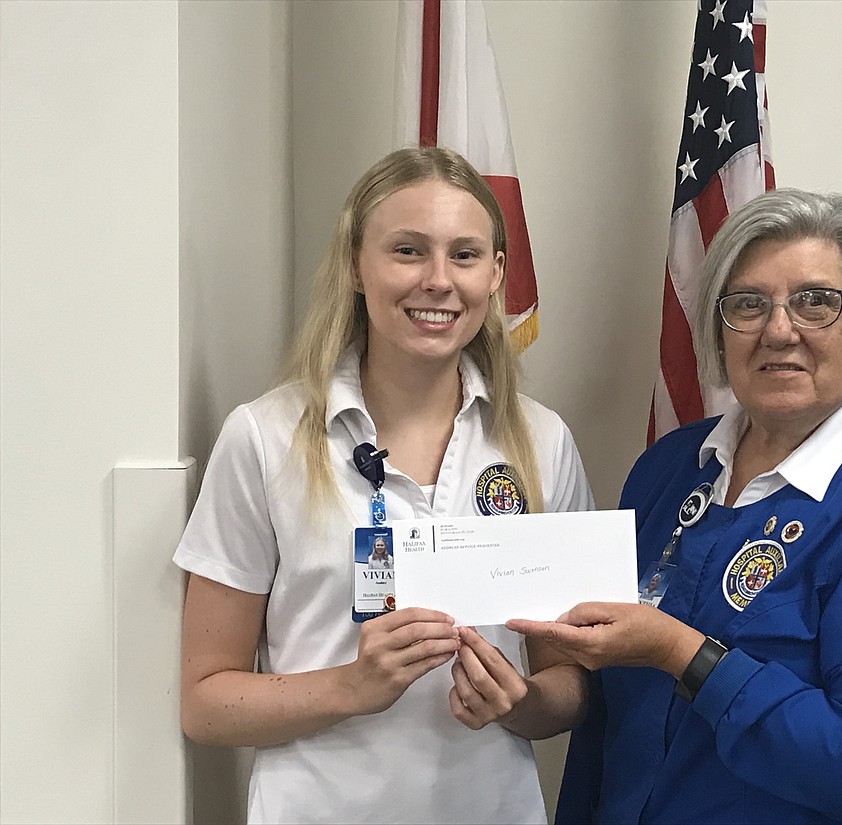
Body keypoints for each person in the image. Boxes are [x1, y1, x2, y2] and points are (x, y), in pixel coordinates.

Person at [510, 189, 842, 824]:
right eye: (748, 304)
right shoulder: (668, 471)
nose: (779, 329)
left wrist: (682, 654)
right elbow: (613, 731)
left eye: (816, 302)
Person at [175, 146, 593, 824]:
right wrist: (351, 685)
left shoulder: (542, 442)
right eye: (407, 250)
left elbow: (571, 685)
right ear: (355, 266)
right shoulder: (264, 436)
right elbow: (205, 702)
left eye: (464, 254)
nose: (437, 280)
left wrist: (520, 702)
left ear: (496, 275)